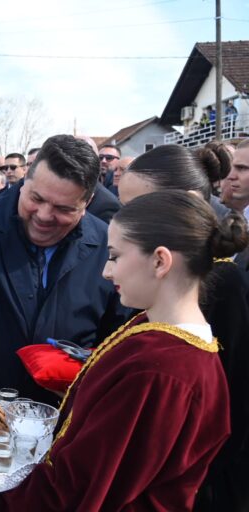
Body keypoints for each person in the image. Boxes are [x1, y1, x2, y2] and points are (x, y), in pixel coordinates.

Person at [0, 190, 241, 511]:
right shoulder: (155, 332)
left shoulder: (159, 369)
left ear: (160, 261)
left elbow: (76, 491)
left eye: (116, 256)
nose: (106, 272)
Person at [0, 134, 127, 404]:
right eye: (36, 198)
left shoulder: (106, 244)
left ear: (86, 203)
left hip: (66, 414)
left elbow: (120, 328)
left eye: (63, 208)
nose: (43, 215)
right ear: (24, 182)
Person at [117, 144, 249, 511]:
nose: (127, 220)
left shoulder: (221, 283)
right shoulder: (151, 270)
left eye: (137, 208)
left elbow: (232, 401)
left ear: (187, 201)